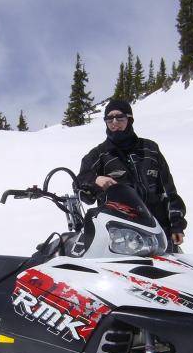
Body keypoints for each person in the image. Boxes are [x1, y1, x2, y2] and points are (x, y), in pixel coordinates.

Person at [77, 99, 187, 248]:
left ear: (129, 119)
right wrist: (95, 180)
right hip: (123, 238)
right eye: (109, 119)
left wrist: (177, 224)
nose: (114, 122)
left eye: (120, 117)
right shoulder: (99, 154)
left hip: (159, 232)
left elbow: (169, 191)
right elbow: (80, 184)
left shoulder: (150, 149)